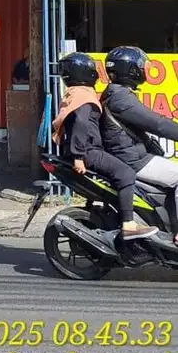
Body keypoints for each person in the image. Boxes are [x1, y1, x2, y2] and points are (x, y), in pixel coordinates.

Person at [52, 52, 157, 241]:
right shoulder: (84, 98)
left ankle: (108, 212)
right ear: (84, 73)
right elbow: (82, 125)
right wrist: (78, 156)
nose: (96, 73)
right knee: (125, 174)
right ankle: (129, 225)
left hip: (88, 149)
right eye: (92, 70)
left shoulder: (75, 94)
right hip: (89, 152)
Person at [100, 45, 178, 243]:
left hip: (133, 154)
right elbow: (157, 124)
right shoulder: (121, 98)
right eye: (141, 66)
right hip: (133, 160)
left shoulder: (118, 93)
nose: (144, 70)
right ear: (131, 70)